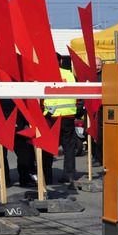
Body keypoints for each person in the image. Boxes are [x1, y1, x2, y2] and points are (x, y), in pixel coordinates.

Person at [41, 53, 84, 190]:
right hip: (68, 116)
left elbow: (39, 97)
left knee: (48, 148)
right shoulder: (69, 75)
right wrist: (76, 111)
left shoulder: (44, 75)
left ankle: (46, 177)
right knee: (69, 147)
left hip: (50, 117)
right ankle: (69, 175)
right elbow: (78, 95)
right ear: (60, 61)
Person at [90, 56, 104, 167]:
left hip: (100, 109)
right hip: (90, 109)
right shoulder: (89, 77)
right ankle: (94, 156)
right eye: (95, 65)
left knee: (99, 135)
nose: (97, 67)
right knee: (89, 134)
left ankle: (99, 158)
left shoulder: (105, 76)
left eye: (99, 65)